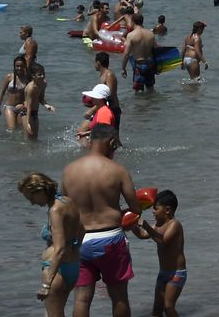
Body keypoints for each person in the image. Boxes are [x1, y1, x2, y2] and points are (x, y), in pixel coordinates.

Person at [62, 123, 140, 317]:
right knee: (119, 296)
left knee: (81, 298)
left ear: (90, 140)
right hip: (110, 239)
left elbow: (64, 208)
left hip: (80, 240)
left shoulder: (69, 170)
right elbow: (136, 208)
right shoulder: (118, 170)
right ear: (112, 142)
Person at [19, 170, 82, 317]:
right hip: (73, 265)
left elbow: (59, 249)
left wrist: (46, 284)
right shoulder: (68, 201)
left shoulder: (55, 210)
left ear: (41, 190)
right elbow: (82, 229)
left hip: (56, 271)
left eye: (31, 197)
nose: (32, 202)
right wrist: (73, 247)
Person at [132, 190, 186, 317]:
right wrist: (132, 223)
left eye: (156, 208)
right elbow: (142, 235)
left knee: (168, 307)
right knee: (157, 310)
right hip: (163, 273)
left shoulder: (174, 225)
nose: (153, 211)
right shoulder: (157, 225)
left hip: (176, 274)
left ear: (167, 210)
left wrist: (146, 226)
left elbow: (162, 241)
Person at [122, 13, 157, 93]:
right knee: (150, 89)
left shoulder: (131, 35)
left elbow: (126, 53)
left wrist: (123, 68)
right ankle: (152, 105)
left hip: (139, 65)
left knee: (138, 91)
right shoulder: (150, 34)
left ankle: (140, 105)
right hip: (150, 64)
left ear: (132, 21)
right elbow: (156, 49)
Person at [0, 53, 32, 131]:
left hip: (22, 107)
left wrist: (24, 104)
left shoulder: (28, 78)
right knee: (12, 129)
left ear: (25, 66)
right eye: (17, 66)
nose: (19, 68)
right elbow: (2, 92)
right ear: (14, 66)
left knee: (21, 130)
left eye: (21, 66)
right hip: (10, 107)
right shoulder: (9, 77)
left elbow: (31, 95)